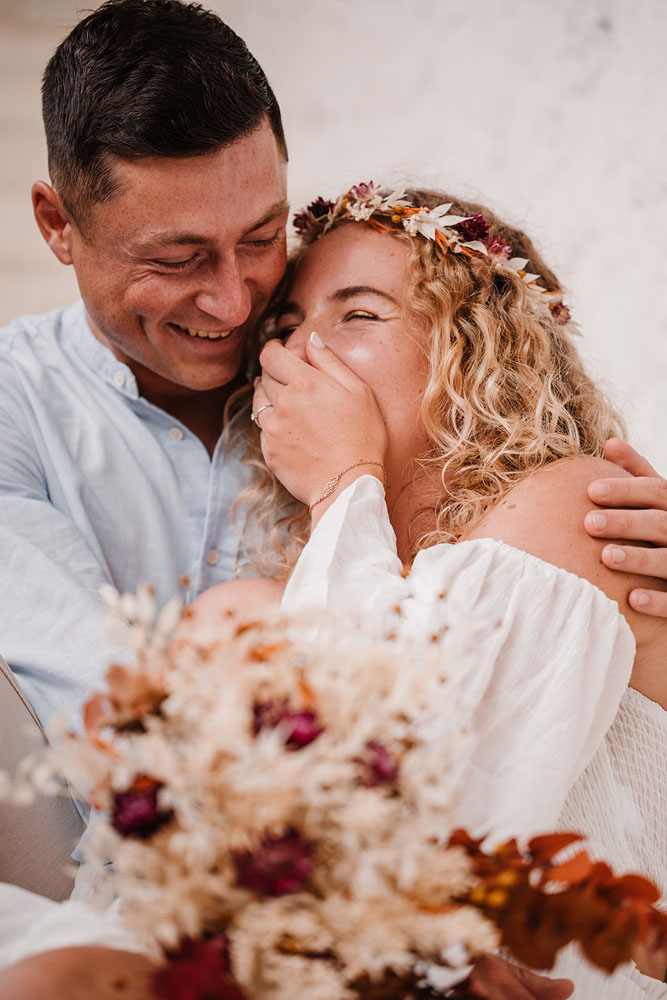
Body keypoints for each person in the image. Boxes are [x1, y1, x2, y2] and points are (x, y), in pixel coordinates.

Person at [3, 185, 665, 1000]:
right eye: (281, 328)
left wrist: (342, 482)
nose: (298, 351)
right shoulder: (260, 610)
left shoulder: (578, 503)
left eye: (357, 315)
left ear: (477, 347)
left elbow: (407, 808)